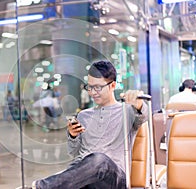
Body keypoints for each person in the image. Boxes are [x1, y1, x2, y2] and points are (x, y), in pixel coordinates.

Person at [30, 60, 148, 189]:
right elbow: (74, 153)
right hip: (86, 179)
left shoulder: (127, 111)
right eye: (89, 87)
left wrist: (139, 103)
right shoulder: (83, 115)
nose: (92, 92)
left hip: (113, 179)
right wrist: (72, 136)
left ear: (112, 85)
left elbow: (144, 115)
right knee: (74, 172)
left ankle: (40, 187)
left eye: (97, 87)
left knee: (99, 160)